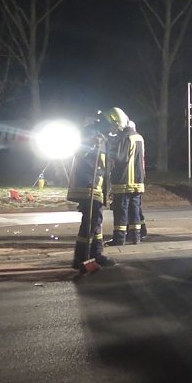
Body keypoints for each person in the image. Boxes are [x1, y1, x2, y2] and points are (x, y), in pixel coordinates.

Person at [66, 107, 127, 269]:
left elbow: (105, 164)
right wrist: (91, 143)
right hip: (86, 185)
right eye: (114, 127)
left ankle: (96, 254)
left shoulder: (104, 138)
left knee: (96, 222)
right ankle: (80, 258)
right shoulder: (89, 133)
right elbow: (78, 152)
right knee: (90, 223)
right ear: (109, 121)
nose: (115, 131)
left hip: (97, 187)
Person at [107, 118, 146, 245]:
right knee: (134, 210)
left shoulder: (125, 137)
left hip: (124, 181)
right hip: (137, 181)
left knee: (120, 211)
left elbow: (120, 157)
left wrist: (110, 150)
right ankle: (135, 237)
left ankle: (119, 239)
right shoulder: (139, 137)